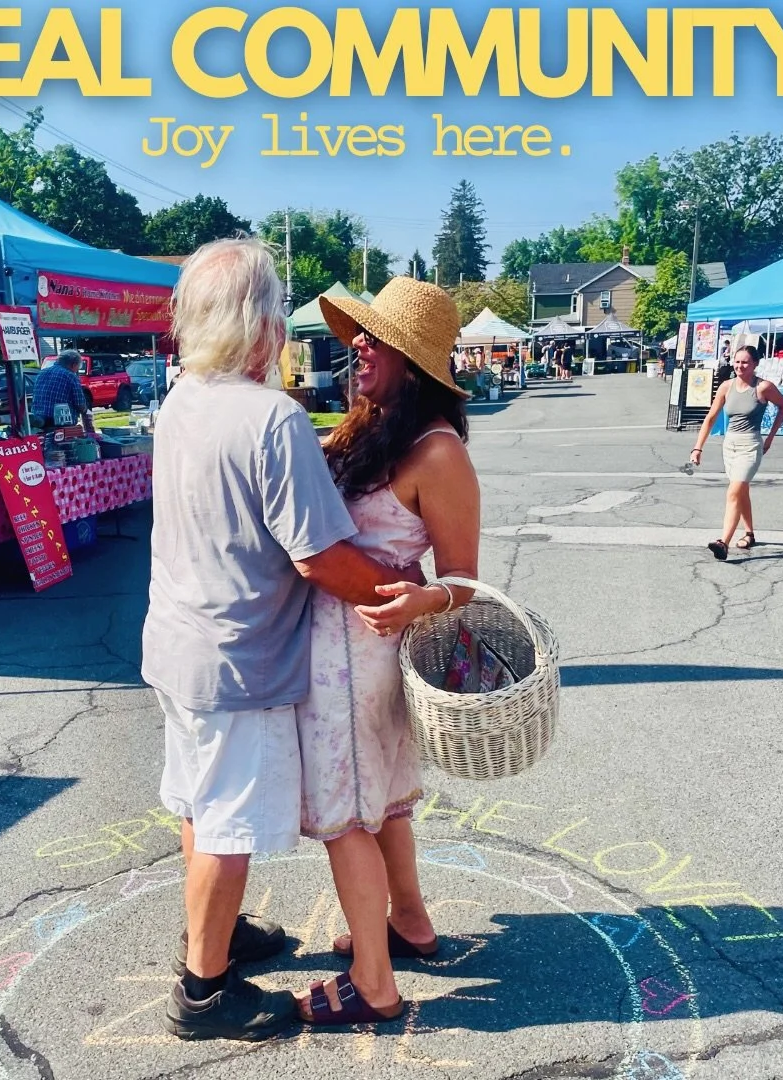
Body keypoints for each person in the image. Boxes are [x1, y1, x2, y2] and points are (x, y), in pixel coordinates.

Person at [141, 238, 424, 1042]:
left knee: (198, 803)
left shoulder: (182, 399)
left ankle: (217, 934)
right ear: (262, 323)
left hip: (177, 641)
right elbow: (320, 557)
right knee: (227, 825)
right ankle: (204, 991)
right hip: (241, 656)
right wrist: (403, 595)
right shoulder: (272, 417)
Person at [293, 278, 480, 1026]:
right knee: (386, 799)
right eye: (361, 335)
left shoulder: (437, 451)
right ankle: (410, 922)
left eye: (377, 339)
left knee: (348, 813)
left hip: (362, 656)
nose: (359, 346)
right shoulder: (368, 429)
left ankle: (373, 981)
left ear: (415, 362)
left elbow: (465, 581)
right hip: (342, 647)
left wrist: (422, 598)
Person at [689, 345, 783, 560]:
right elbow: (711, 418)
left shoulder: (763, 387)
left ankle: (723, 543)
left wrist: (770, 437)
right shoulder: (726, 386)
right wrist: (698, 447)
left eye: (745, 362)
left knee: (734, 492)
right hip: (730, 445)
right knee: (741, 491)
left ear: (755, 364)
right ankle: (749, 534)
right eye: (737, 361)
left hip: (750, 445)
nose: (740, 366)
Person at [31, 349, 95, 433]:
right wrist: (86, 412)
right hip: (60, 423)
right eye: (78, 367)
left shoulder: (41, 373)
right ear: (73, 364)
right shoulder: (70, 376)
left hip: (38, 420)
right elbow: (80, 405)